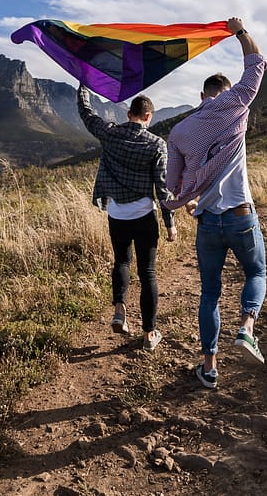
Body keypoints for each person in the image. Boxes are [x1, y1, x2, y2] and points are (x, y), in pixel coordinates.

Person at [164, 17, 267, 389]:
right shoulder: (237, 105)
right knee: (256, 274)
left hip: (207, 222)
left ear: (201, 96)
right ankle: (246, 328)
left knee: (209, 293)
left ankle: (209, 367)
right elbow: (256, 64)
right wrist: (240, 31)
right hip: (241, 217)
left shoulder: (179, 131)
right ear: (224, 92)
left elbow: (172, 185)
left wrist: (188, 201)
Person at [78, 84, 177, 351]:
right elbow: (162, 187)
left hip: (117, 215)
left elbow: (87, 115)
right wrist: (169, 223)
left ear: (129, 113)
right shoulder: (157, 144)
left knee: (121, 260)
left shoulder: (110, 134)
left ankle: (120, 311)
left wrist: (83, 86)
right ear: (147, 117)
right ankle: (149, 334)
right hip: (145, 215)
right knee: (148, 273)